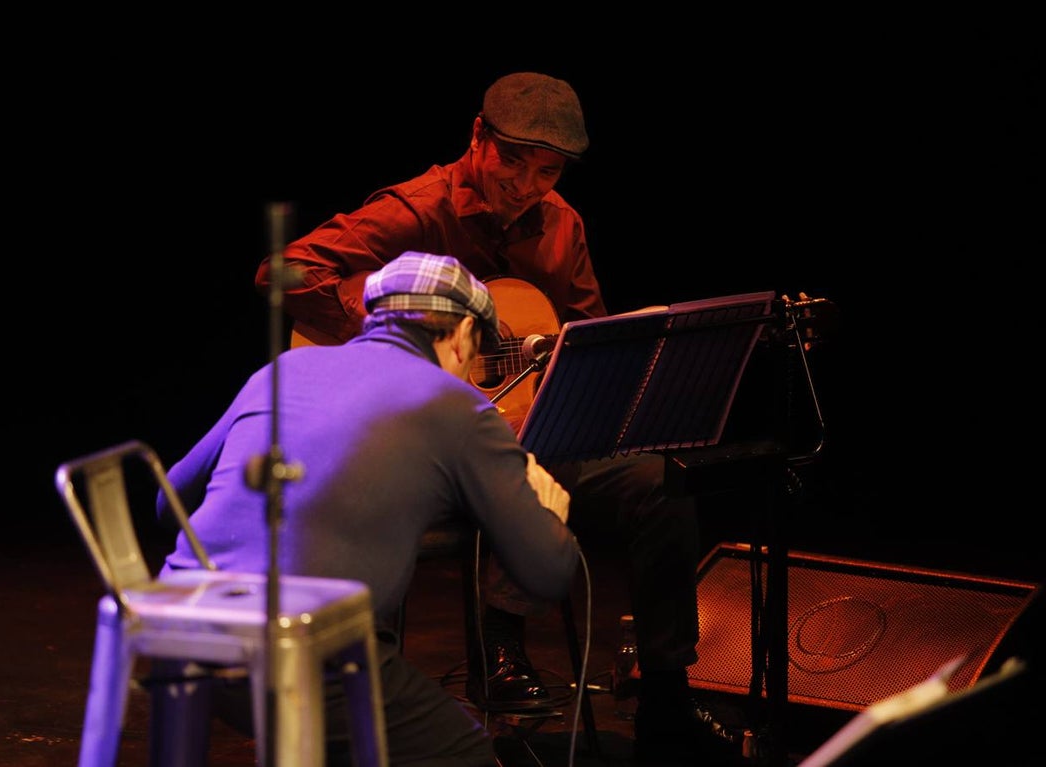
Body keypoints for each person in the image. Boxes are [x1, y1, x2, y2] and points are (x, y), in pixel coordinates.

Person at [255, 72, 737, 765]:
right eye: (514, 160)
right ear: (478, 137)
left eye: (547, 170)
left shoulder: (561, 225)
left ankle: (664, 692)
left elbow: (586, 335)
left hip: (514, 435)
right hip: (409, 443)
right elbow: (287, 270)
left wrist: (577, 374)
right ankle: (396, 690)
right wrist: (384, 328)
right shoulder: (415, 210)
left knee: (657, 482)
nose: (527, 184)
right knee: (450, 473)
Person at [160, 252, 579, 766]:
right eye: (477, 351)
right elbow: (548, 573)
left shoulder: (284, 369)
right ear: (463, 332)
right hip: (301, 654)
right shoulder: (459, 406)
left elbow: (169, 500)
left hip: (173, 628)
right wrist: (549, 513)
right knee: (469, 757)